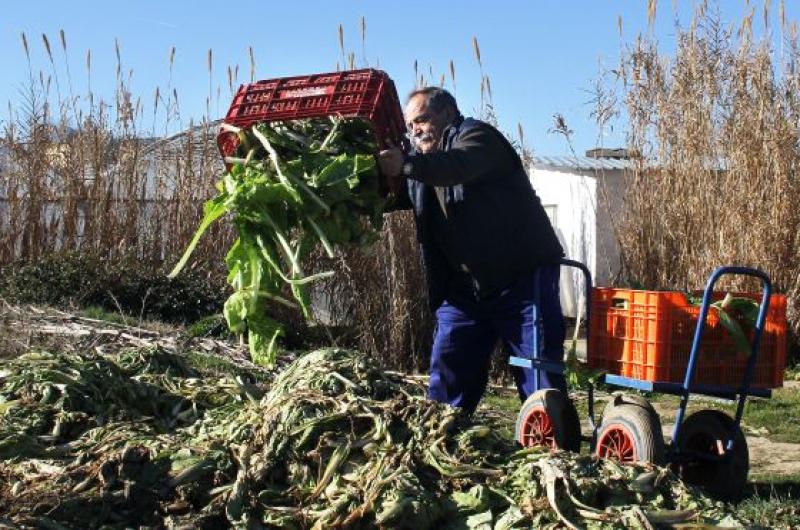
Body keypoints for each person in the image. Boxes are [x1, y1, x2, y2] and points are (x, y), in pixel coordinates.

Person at [377, 86, 566, 414]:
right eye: (410, 126)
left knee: (538, 375)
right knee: (448, 374)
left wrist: (405, 164)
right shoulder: (421, 167)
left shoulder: (478, 138)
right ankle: (445, 435)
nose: (416, 130)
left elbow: (456, 167)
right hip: (465, 291)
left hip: (520, 281)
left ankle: (549, 437)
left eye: (422, 120)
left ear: (448, 113)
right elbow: (392, 194)